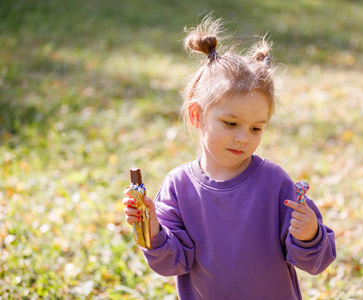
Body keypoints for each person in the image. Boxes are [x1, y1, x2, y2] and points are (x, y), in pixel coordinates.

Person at [123, 17, 336, 300]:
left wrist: (310, 234)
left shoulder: (275, 184)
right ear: (197, 115)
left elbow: (316, 262)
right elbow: (171, 263)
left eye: (256, 128)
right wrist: (152, 229)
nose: (243, 138)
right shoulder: (179, 186)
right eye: (231, 123)